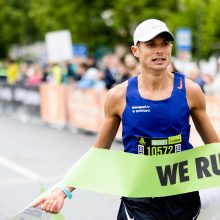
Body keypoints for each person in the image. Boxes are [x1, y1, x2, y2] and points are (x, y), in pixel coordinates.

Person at [33, 18, 219, 219]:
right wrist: (63, 191)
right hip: (140, 200)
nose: (159, 50)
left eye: (164, 44)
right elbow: (98, 153)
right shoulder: (118, 96)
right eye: (150, 45)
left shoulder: (190, 91)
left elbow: (215, 149)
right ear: (135, 51)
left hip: (182, 199)